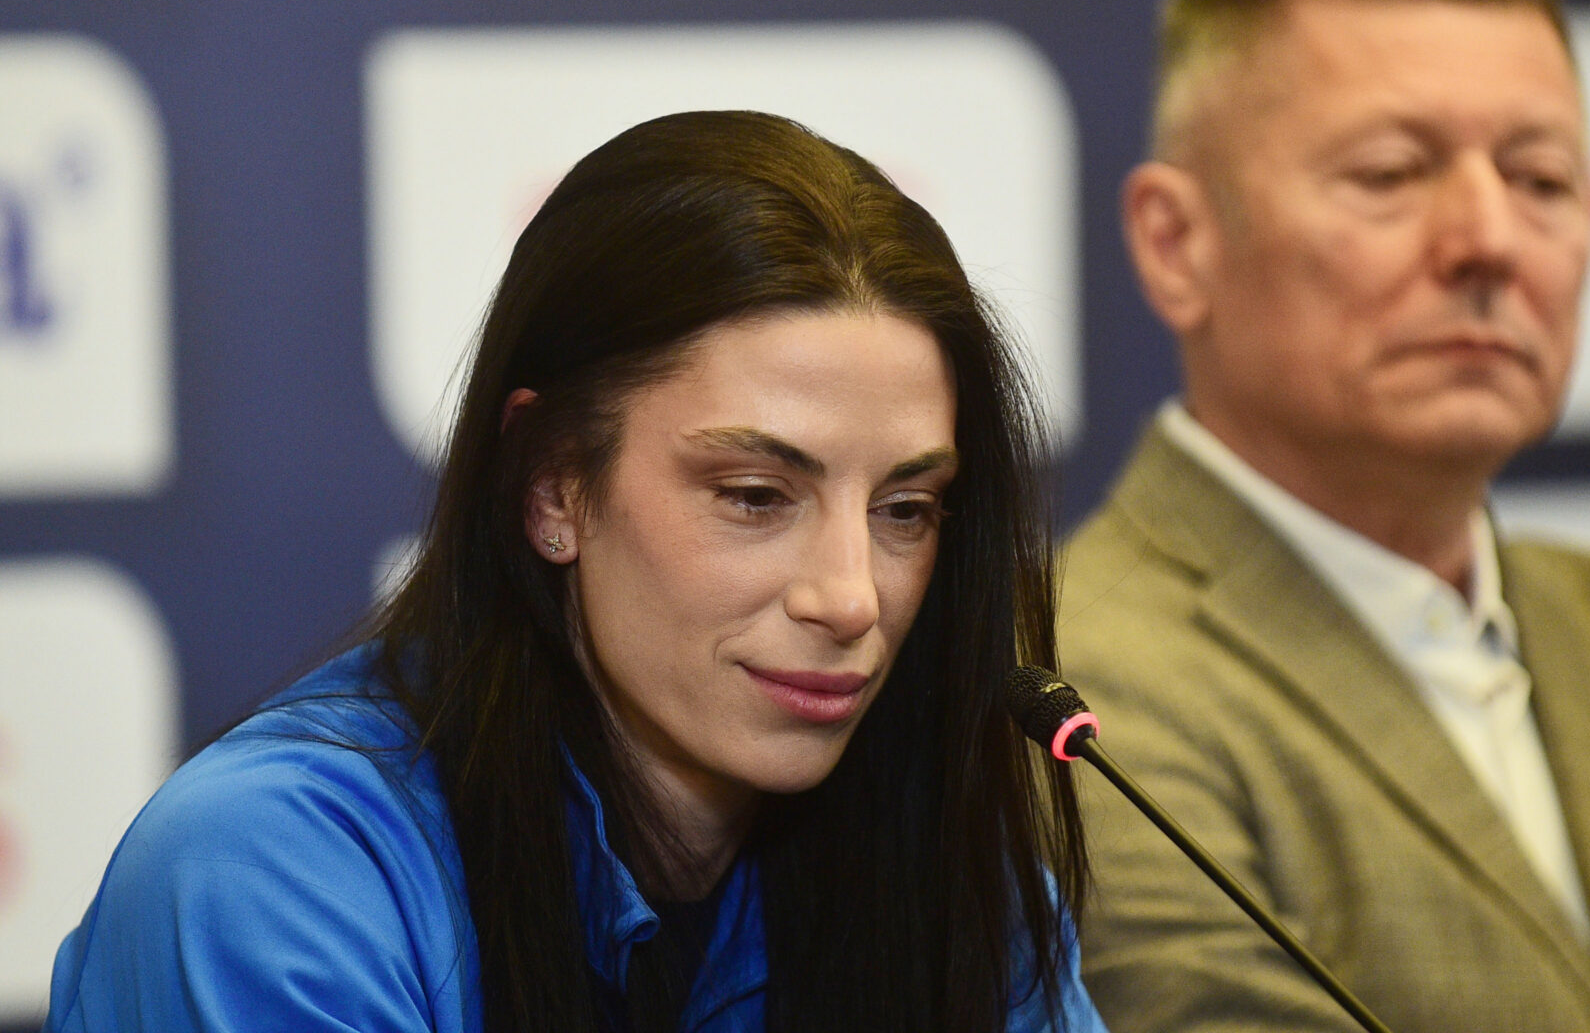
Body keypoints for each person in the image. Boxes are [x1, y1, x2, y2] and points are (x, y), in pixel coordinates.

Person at [44, 110, 1108, 1033]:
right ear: (553, 487)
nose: (851, 596)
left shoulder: (943, 867)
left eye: (904, 510)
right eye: (753, 495)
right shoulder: (271, 869)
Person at [1056, 0, 1590, 1030]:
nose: (1487, 239)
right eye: (1391, 172)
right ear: (1177, 242)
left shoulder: (1585, 609)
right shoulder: (1066, 688)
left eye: (1538, 178)